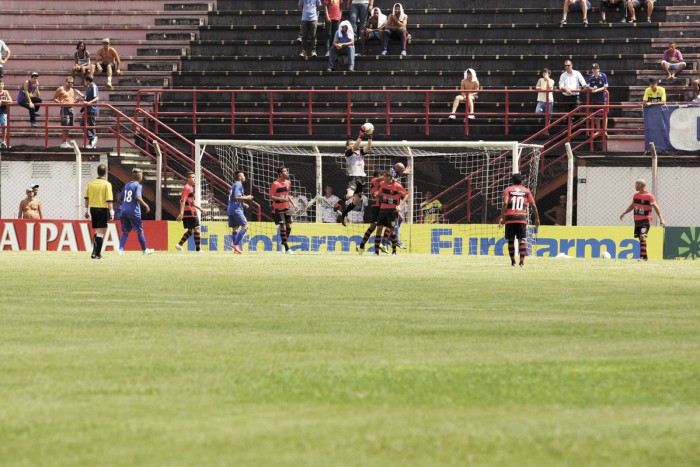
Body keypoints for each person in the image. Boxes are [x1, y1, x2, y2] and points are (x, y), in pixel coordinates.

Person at [498, 173, 540, 267]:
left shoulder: (508, 190)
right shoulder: (526, 191)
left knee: (510, 240)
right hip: (521, 218)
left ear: (512, 181)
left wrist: (501, 217)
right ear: (522, 181)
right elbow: (533, 205)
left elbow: (505, 203)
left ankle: (513, 262)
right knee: (522, 240)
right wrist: (537, 218)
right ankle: (522, 262)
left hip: (510, 218)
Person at [619, 179, 665, 261]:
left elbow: (656, 207)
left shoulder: (649, 196)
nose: (635, 186)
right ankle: (645, 257)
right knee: (641, 239)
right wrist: (625, 212)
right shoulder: (636, 195)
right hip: (637, 221)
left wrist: (661, 218)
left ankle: (642, 257)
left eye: (636, 184)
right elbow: (633, 205)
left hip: (645, 221)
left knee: (643, 236)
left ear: (640, 185)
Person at [338, 126, 373, 226]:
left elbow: (368, 147)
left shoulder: (360, 152)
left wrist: (370, 136)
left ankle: (344, 213)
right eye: (351, 144)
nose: (353, 145)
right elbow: (355, 147)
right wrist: (360, 136)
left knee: (357, 201)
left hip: (362, 179)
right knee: (349, 195)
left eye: (354, 143)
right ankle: (340, 202)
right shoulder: (348, 153)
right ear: (347, 146)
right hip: (353, 178)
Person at [117, 168, 154, 256]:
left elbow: (120, 197)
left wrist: (126, 204)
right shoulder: (138, 186)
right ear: (140, 177)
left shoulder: (127, 185)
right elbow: (138, 197)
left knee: (125, 232)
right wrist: (146, 205)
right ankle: (145, 251)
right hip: (133, 211)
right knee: (139, 231)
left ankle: (121, 250)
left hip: (124, 211)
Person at [373, 170, 407, 255]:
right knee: (378, 230)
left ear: (389, 177)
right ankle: (376, 252)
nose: (383, 178)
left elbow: (406, 195)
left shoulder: (398, 186)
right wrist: (377, 194)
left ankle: (394, 252)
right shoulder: (382, 184)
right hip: (382, 211)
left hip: (392, 212)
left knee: (392, 231)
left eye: (385, 177)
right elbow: (379, 192)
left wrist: (400, 205)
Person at [84, 163, 114, 260]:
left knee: (98, 231)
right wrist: (112, 212)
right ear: (105, 173)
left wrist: (86, 210)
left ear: (97, 172)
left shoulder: (90, 183)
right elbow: (109, 200)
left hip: (93, 209)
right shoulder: (107, 184)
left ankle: (94, 252)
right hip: (102, 209)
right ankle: (97, 254)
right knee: (100, 232)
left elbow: (86, 198)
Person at [269, 166, 297, 254]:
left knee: (289, 226)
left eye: (287, 171)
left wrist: (293, 203)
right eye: (285, 171)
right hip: (278, 208)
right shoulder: (275, 184)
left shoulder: (288, 182)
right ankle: (287, 248)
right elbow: (270, 196)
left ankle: (282, 243)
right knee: (283, 227)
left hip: (286, 207)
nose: (287, 173)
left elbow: (287, 195)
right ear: (280, 174)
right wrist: (280, 199)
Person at [175, 171, 205, 252]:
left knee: (191, 230)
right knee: (197, 228)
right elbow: (182, 201)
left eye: (194, 177)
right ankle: (198, 250)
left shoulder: (191, 187)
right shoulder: (187, 187)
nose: (194, 179)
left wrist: (200, 208)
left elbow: (191, 202)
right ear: (187, 179)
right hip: (190, 212)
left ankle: (179, 245)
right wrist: (181, 213)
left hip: (191, 210)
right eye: (192, 177)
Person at [53, 76, 85, 149]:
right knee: (65, 125)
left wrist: (77, 100)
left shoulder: (72, 90)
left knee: (69, 126)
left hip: (71, 108)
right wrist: (60, 102)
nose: (70, 84)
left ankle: (65, 142)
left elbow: (72, 100)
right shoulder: (61, 89)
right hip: (64, 108)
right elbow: (54, 98)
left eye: (72, 83)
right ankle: (63, 142)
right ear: (66, 81)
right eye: (69, 82)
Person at [228, 170, 254, 254]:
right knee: (245, 226)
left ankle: (236, 250)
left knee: (235, 228)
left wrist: (242, 204)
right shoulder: (239, 184)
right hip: (236, 210)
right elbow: (236, 196)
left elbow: (233, 198)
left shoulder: (234, 185)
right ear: (240, 177)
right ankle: (235, 244)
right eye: (243, 176)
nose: (244, 177)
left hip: (231, 209)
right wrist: (247, 198)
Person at [586, 63, 608, 134]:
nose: (594, 70)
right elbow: (587, 86)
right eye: (593, 69)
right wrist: (592, 88)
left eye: (596, 68)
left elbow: (605, 87)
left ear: (598, 69)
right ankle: (598, 129)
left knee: (604, 114)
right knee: (596, 114)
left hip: (602, 97)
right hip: (594, 98)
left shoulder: (603, 75)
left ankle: (605, 130)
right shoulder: (590, 76)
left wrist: (597, 90)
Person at [83, 75, 99, 148]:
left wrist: (89, 103)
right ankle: (92, 138)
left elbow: (96, 98)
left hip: (92, 109)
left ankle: (92, 140)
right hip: (87, 109)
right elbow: (87, 98)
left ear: (88, 81)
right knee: (83, 124)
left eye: (85, 80)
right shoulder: (89, 87)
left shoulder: (94, 86)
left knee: (91, 125)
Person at [0, 79, 12, 148]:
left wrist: (1, 100)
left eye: (2, 84)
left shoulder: (5, 92)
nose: (1, 86)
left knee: (4, 127)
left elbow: (10, 100)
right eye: (0, 84)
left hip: (3, 112)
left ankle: (3, 141)